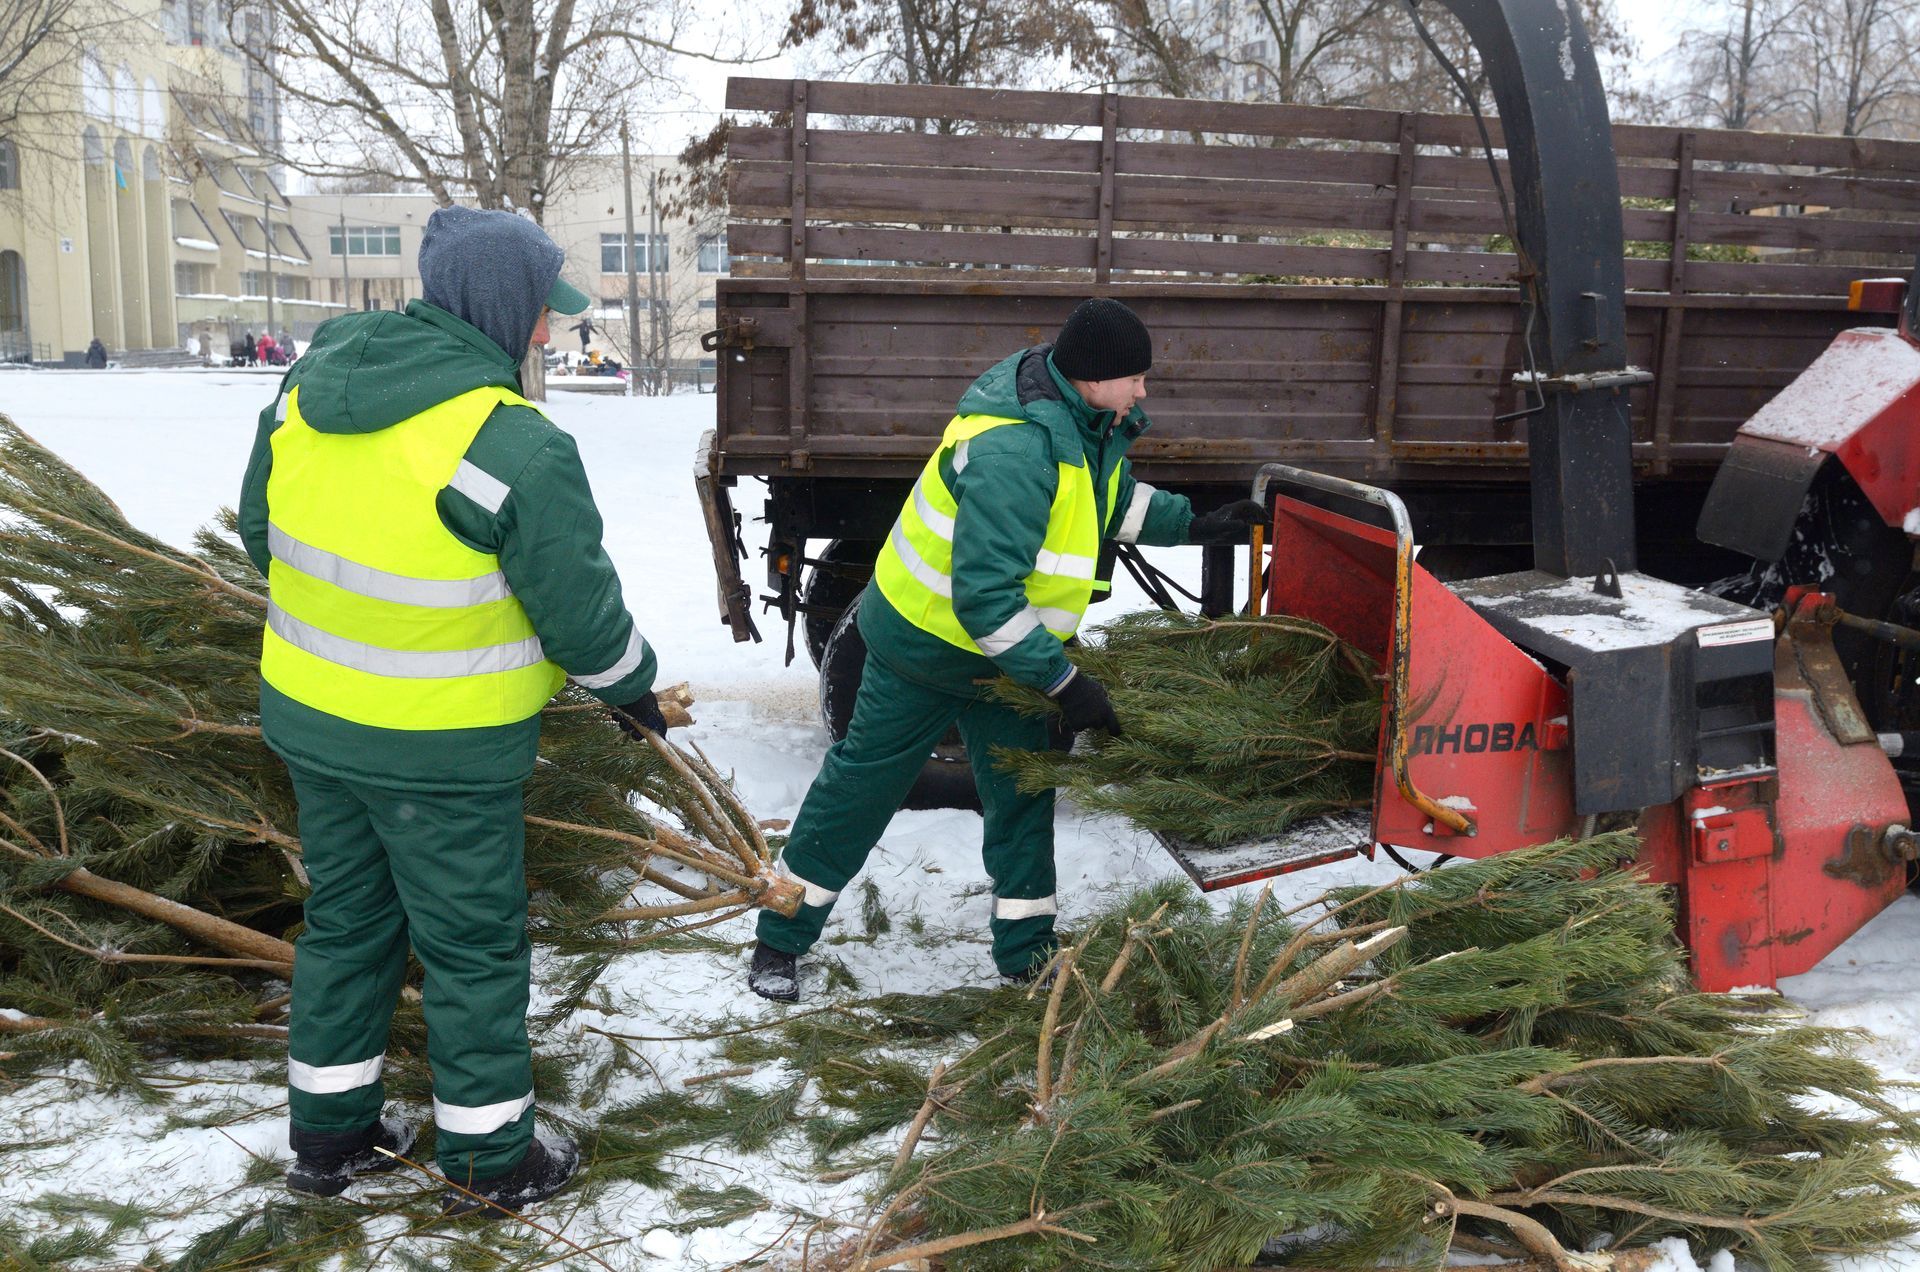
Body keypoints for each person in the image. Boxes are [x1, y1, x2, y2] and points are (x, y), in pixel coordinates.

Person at [237, 206, 672, 1215]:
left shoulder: (304, 393)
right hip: (442, 752)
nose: (546, 334)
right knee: (472, 950)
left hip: (311, 722)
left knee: (345, 929)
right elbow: (580, 612)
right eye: (536, 316)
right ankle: (488, 1162)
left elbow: (262, 529)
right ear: (496, 306)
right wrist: (633, 693)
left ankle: (331, 1139)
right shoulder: (509, 441)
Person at [747, 298, 1267, 1002]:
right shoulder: (1016, 449)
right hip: (924, 647)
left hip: (1004, 659)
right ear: (1094, 376)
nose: (1145, 391)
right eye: (1136, 378)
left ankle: (1026, 954)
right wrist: (1064, 683)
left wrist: (1200, 523)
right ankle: (779, 939)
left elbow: (1104, 500)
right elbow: (986, 600)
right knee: (859, 792)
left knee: (1022, 798)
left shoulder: (1082, 421)